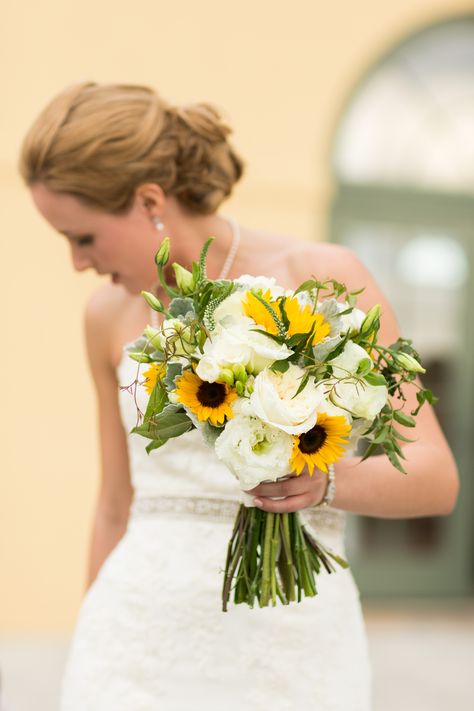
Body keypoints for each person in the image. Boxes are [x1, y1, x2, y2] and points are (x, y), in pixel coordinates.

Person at [20, 82, 458, 711]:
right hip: (134, 649)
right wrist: (94, 644)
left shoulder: (323, 279)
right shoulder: (105, 317)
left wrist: (323, 480)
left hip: (288, 641)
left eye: (83, 237)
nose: (76, 263)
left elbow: (435, 478)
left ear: (149, 201)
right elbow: (115, 506)